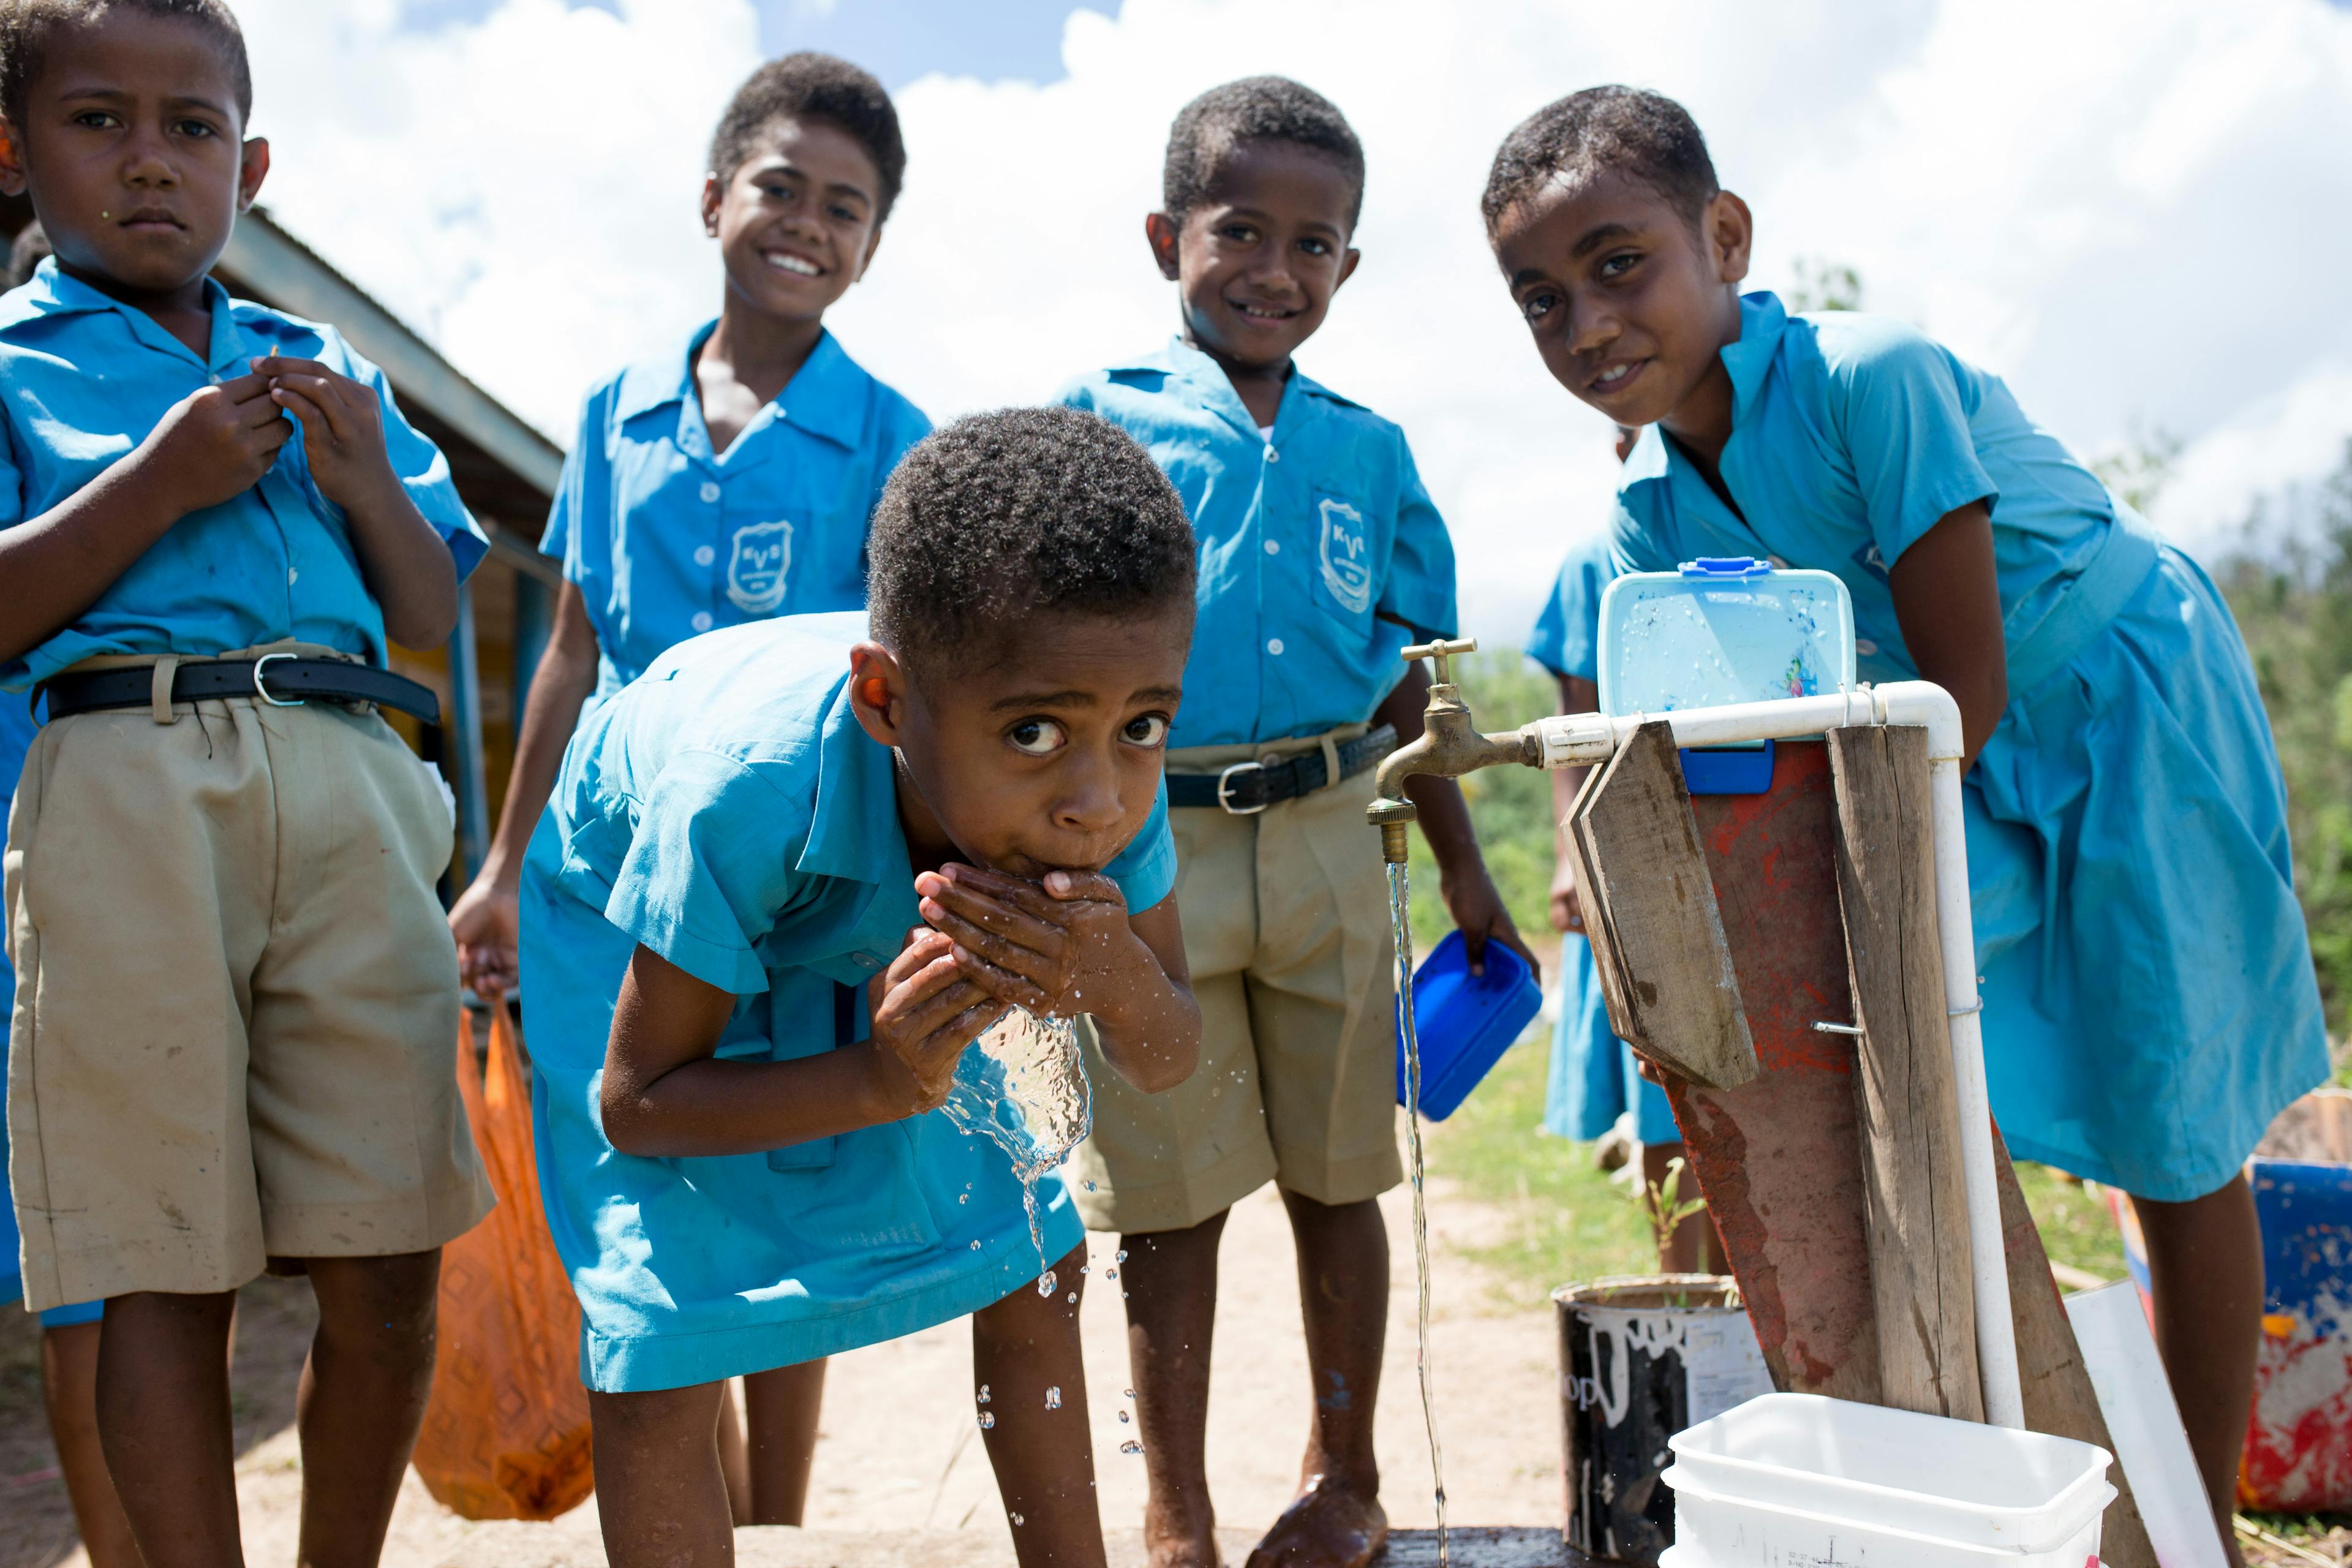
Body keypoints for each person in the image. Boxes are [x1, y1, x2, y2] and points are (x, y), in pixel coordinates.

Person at [1483, 85, 2323, 1561]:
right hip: (1932, 760)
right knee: (1907, 1082)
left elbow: (1962, 676)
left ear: (1723, 237)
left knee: (2170, 1116)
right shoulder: (1642, 525)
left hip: (2110, 704)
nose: (1586, 322)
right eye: (1541, 299)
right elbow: (1708, 755)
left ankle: (2198, 1526)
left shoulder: (1877, 378)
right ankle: (1964, 1473)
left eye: (1619, 263)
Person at [516, 406, 1205, 1568]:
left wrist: (1115, 975)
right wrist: (885, 1077)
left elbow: (1167, 1050)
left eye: (1145, 724)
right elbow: (638, 1103)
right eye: (1034, 730)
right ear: (885, 701)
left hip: (859, 886)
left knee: (1036, 1259)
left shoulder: (1096, 795)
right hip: (637, 907)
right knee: (661, 1334)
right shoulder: (741, 790)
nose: (1097, 798)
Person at [0, 4, 495, 1564]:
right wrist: (157, 479)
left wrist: (355, 475)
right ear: (11, 152)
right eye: (98, 120)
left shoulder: (328, 368)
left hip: (354, 774)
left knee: (393, 1240)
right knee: (162, 1255)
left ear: (252, 165)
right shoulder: (13, 365)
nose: (151, 160)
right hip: (125, 781)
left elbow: (426, 607)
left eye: (193, 128)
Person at [445, 48, 927, 1525]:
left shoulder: (890, 435)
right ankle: (695, 1504)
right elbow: (572, 646)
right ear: (715, 196)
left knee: (778, 1166)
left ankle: (772, 1518)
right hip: (610, 869)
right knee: (641, 1184)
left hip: (795, 868)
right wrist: (503, 864)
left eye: (846, 207)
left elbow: (898, 685)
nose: (808, 223)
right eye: (782, 185)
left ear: (870, 246)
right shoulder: (614, 412)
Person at [1058, 77, 1534, 1568]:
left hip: (1334, 835)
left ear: (1348, 264)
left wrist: (1463, 870)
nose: (1276, 271)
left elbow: (1412, 681)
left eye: (1314, 244)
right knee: (1167, 1197)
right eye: (1239, 232)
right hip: (1153, 854)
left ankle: (1346, 1476)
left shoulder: (1369, 450)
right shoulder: (1099, 427)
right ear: (1164, 237)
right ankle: (1176, 1511)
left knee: (1341, 1178)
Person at [1529, 526, 1722, 1275]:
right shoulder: (1593, 563)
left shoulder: (1765, 539)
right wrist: (1570, 858)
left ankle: (1757, 1309)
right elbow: (1571, 732)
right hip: (1633, 850)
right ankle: (1688, 1302)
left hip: (1746, 839)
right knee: (1664, 1108)